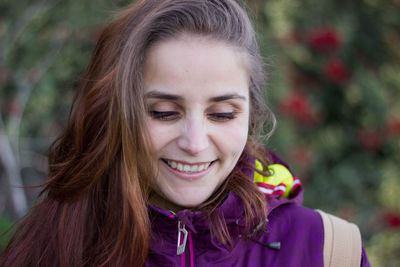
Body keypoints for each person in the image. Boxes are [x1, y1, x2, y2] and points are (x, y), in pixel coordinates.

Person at [0, 0, 370, 266]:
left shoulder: (329, 250)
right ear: (116, 113)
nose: (194, 143)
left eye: (222, 114)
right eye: (163, 112)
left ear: (251, 116)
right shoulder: (54, 246)